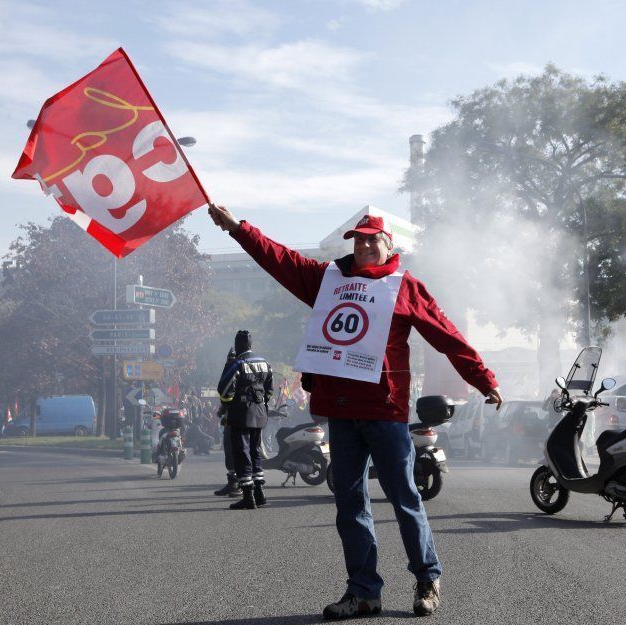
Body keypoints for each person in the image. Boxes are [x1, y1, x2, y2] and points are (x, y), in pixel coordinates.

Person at [208, 205, 503, 619]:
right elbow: (279, 258)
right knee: (350, 505)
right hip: (342, 412)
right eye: (358, 239)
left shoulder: (405, 287)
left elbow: (445, 334)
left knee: (404, 499)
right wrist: (238, 229)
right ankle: (364, 591)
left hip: (385, 411)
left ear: (388, 245)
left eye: (372, 239)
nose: (364, 245)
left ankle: (427, 578)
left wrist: (483, 379)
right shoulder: (327, 280)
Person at [218, 330, 274, 510]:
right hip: (260, 413)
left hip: (241, 414)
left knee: (242, 453)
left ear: (237, 345)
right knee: (255, 451)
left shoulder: (238, 363)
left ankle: (248, 497)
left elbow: (225, 390)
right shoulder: (264, 363)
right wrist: (261, 402)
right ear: (251, 345)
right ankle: (260, 493)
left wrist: (228, 406)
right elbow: (270, 390)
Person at [213, 349, 243, 498]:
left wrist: (223, 409)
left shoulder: (235, 368)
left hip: (235, 416)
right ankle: (234, 483)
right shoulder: (253, 366)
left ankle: (237, 485)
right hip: (250, 416)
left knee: (232, 450)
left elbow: (226, 393)